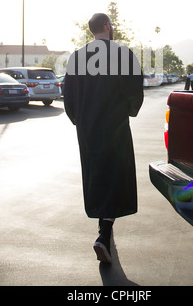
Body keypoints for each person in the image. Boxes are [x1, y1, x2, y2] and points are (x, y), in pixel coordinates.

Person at [64, 13, 144, 263]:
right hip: (115, 127)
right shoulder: (122, 54)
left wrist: (78, 119)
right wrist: (130, 110)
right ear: (108, 26)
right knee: (115, 178)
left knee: (97, 175)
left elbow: (68, 95)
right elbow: (134, 90)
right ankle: (104, 235)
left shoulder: (76, 57)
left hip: (87, 128)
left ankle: (103, 231)